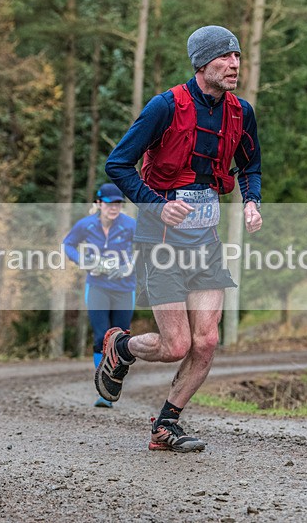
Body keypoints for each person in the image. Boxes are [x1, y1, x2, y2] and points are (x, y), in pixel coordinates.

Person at [96, 25, 263, 452]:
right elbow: (118, 164)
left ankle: (166, 425)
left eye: (238, 57)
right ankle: (122, 347)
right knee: (176, 345)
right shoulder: (164, 107)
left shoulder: (241, 113)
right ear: (203, 63)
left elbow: (251, 166)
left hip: (204, 239)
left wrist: (251, 201)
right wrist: (154, 203)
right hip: (161, 238)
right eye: (226, 58)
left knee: (206, 341)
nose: (234, 65)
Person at [63, 183, 136, 408]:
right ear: (98, 204)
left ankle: (114, 381)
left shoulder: (130, 224)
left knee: (121, 339)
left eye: (117, 204)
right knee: (100, 337)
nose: (113, 208)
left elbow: (146, 247)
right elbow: (68, 244)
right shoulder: (86, 225)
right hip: (97, 286)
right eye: (109, 203)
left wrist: (129, 267)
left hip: (124, 288)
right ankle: (104, 391)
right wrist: (84, 262)